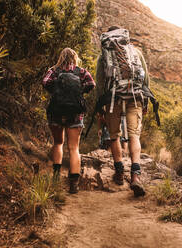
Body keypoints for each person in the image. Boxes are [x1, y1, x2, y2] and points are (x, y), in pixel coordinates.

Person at [96, 26, 151, 197]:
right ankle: (135, 175)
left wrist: (100, 106)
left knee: (114, 135)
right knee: (134, 135)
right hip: (135, 96)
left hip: (113, 98)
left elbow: (100, 82)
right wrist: (146, 101)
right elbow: (145, 77)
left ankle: (119, 172)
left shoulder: (104, 55)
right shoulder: (135, 52)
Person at [42, 48, 95, 194]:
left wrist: (57, 91)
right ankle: (74, 184)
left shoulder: (53, 70)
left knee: (58, 143)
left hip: (56, 112)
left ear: (61, 57)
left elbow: (45, 82)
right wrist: (79, 92)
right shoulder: (81, 71)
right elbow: (92, 84)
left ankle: (56, 178)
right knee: (74, 148)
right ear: (75, 58)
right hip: (75, 114)